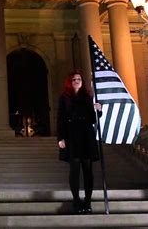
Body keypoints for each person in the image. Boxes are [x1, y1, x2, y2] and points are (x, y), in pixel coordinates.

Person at [57, 71, 101, 214]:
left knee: (88, 169)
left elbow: (93, 119)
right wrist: (61, 138)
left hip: (86, 135)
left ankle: (87, 201)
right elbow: (61, 118)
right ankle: (76, 201)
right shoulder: (64, 98)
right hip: (71, 135)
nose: (77, 81)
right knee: (74, 169)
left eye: (79, 79)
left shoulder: (88, 96)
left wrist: (97, 110)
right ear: (69, 82)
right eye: (74, 79)